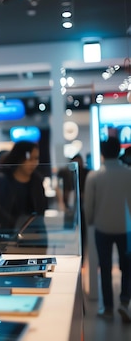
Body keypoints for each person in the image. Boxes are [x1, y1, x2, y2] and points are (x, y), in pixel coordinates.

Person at [84, 136, 131, 322]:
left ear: (102, 152)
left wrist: (90, 221)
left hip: (102, 227)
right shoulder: (128, 173)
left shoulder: (94, 176)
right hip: (126, 228)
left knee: (104, 267)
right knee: (127, 267)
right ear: (119, 150)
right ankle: (125, 302)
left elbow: (89, 205)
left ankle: (109, 308)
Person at [0, 141, 47, 234]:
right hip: (8, 234)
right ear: (20, 157)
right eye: (29, 158)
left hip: (35, 235)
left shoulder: (37, 181)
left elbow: (41, 209)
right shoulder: (3, 180)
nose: (34, 163)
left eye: (36, 158)